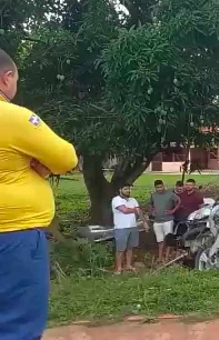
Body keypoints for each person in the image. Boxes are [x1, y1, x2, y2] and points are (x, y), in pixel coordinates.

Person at [0, 48, 78, 340]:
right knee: (16, 326)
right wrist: (39, 167)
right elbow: (66, 158)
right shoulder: (14, 118)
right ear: (7, 78)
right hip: (13, 237)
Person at [111, 183, 149, 274]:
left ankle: (128, 265)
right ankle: (119, 268)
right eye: (125, 189)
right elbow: (124, 210)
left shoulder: (133, 200)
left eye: (129, 189)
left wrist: (144, 222)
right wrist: (135, 210)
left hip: (133, 227)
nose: (128, 191)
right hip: (121, 228)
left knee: (130, 248)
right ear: (120, 190)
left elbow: (139, 212)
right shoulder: (116, 200)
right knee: (120, 249)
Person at [150, 180, 180, 263]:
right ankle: (160, 257)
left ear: (163, 185)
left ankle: (166, 257)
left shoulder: (170, 194)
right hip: (157, 221)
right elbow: (152, 205)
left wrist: (173, 210)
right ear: (155, 188)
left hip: (168, 220)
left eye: (160, 187)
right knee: (160, 240)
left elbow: (179, 201)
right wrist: (152, 212)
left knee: (168, 239)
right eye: (157, 188)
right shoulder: (153, 195)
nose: (159, 189)